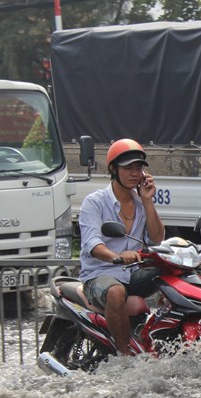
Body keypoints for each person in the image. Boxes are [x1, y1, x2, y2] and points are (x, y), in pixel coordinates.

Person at [77, 138, 166, 355]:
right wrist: (117, 256)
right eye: (128, 168)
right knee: (116, 292)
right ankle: (124, 356)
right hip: (99, 275)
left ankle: (167, 344)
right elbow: (93, 245)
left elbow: (157, 239)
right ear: (113, 169)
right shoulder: (94, 202)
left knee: (172, 278)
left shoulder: (141, 203)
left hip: (132, 275)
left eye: (138, 168)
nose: (134, 173)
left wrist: (147, 201)